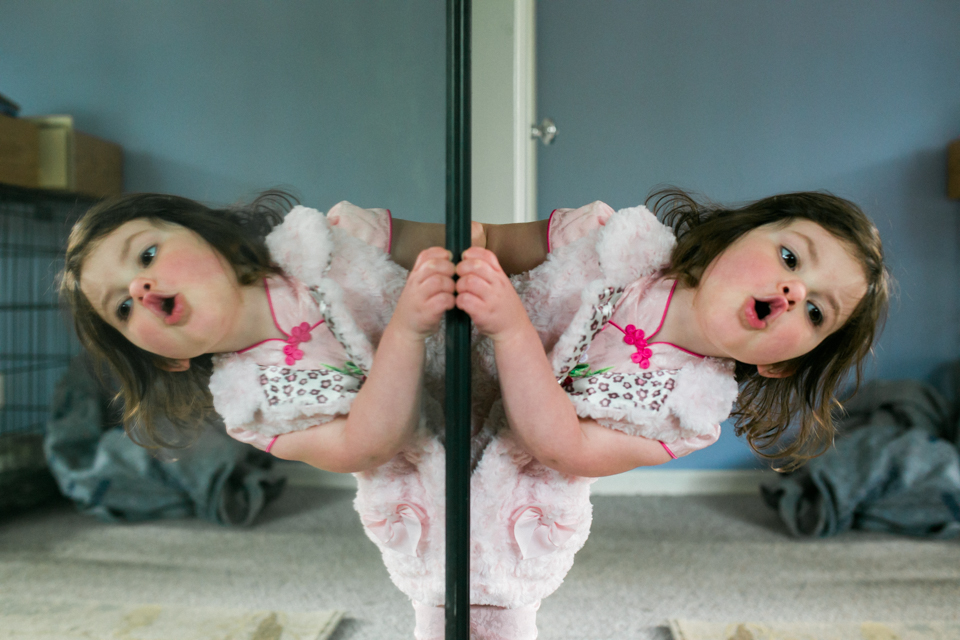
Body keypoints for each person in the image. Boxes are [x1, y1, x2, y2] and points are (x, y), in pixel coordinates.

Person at [58, 191, 459, 474]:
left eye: (147, 255)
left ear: (209, 235)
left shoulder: (329, 243)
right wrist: (405, 333)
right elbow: (367, 446)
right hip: (450, 467)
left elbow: (478, 241)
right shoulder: (254, 406)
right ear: (164, 359)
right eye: (123, 308)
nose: (137, 288)